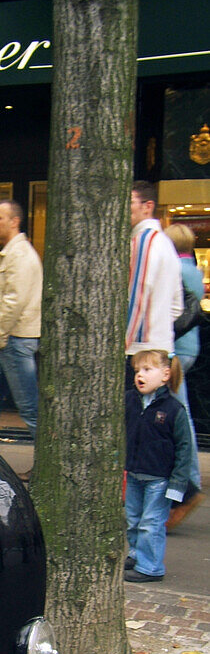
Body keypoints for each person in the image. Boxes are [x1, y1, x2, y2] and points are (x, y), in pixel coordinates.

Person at [0, 199, 42, 439]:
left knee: (29, 408)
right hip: (11, 340)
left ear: (15, 221)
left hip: (15, 339)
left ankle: (47, 466)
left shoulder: (20, 255)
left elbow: (14, 300)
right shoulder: (12, 253)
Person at [124, 350, 191, 583]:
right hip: (134, 473)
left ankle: (150, 567)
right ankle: (135, 554)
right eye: (136, 371)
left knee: (151, 523)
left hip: (159, 478)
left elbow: (185, 449)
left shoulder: (173, 409)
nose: (139, 375)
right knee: (132, 519)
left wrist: (177, 483)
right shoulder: (130, 401)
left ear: (165, 375)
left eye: (147, 370)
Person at [164, 223, 205, 527]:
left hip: (174, 347)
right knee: (184, 412)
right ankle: (188, 483)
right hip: (190, 347)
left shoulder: (173, 269)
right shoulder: (195, 269)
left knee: (177, 415)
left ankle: (186, 485)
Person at [126, 181, 182, 372]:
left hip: (139, 349)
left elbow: (137, 294)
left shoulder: (143, 241)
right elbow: (177, 306)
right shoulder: (165, 242)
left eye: (130, 202)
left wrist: (123, 342)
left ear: (147, 206)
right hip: (161, 345)